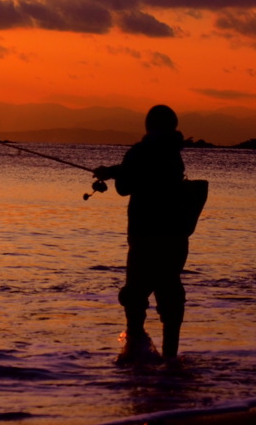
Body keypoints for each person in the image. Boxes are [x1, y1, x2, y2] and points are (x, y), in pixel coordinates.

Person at [95, 104, 195, 365]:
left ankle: (135, 352)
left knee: (136, 294)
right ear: (172, 126)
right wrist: (114, 170)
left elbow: (127, 186)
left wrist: (114, 175)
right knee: (169, 290)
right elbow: (149, 171)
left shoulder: (139, 152)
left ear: (148, 126)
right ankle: (171, 357)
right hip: (175, 235)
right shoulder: (174, 154)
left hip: (145, 234)